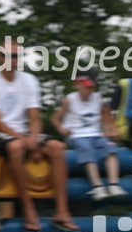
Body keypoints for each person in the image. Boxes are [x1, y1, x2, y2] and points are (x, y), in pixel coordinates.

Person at [0, 39, 77, 232]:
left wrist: (34, 138)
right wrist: (27, 141)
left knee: (58, 147)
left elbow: (35, 118)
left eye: (17, 56)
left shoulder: (29, 80)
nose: (13, 60)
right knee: (16, 148)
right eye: (9, 55)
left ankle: (62, 211)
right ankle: (28, 209)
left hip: (22, 131)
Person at [52, 72, 127, 201]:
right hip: (77, 134)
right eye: (86, 87)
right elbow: (55, 118)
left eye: (91, 87)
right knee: (86, 148)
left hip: (95, 134)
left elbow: (106, 119)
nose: (89, 90)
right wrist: (61, 129)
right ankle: (97, 186)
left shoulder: (98, 99)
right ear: (78, 85)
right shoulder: (70, 100)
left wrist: (111, 131)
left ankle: (114, 184)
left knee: (110, 149)